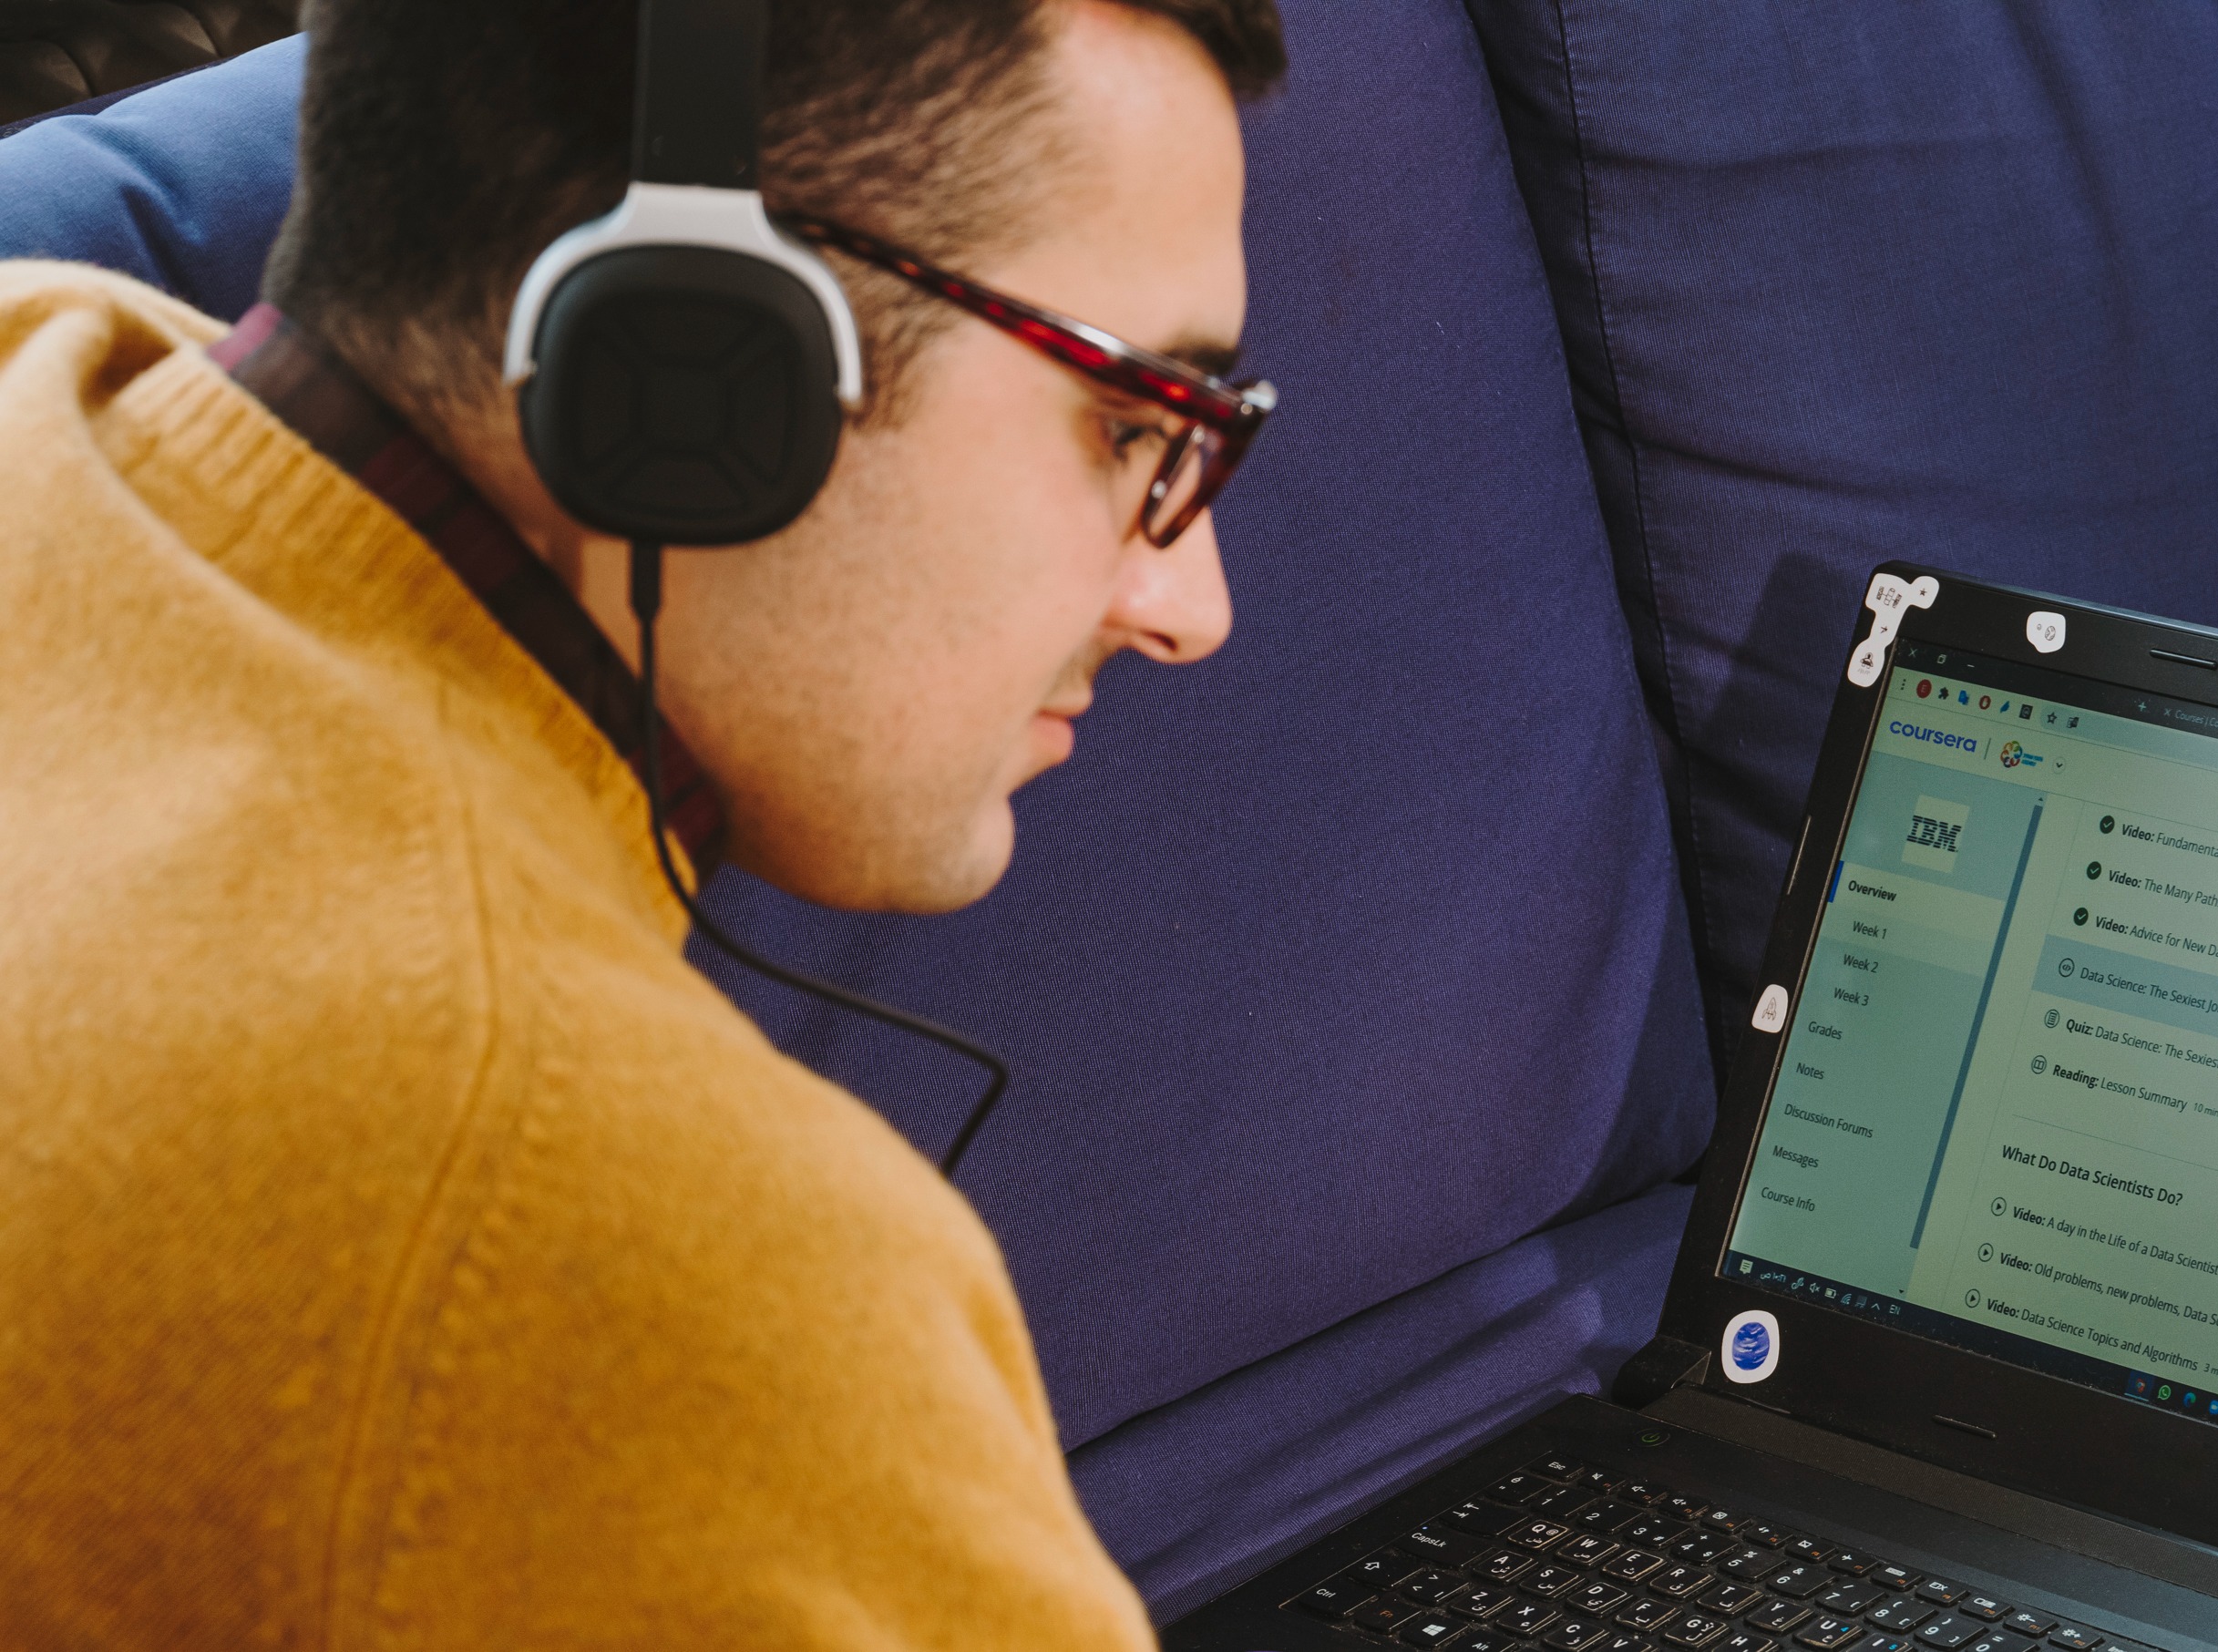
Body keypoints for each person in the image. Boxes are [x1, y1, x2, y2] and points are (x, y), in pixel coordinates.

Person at [0, 0, 1280, 1643]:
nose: (1190, 603)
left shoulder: (43, 350)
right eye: (1132, 421)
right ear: (698, 364)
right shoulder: (635, 1258)